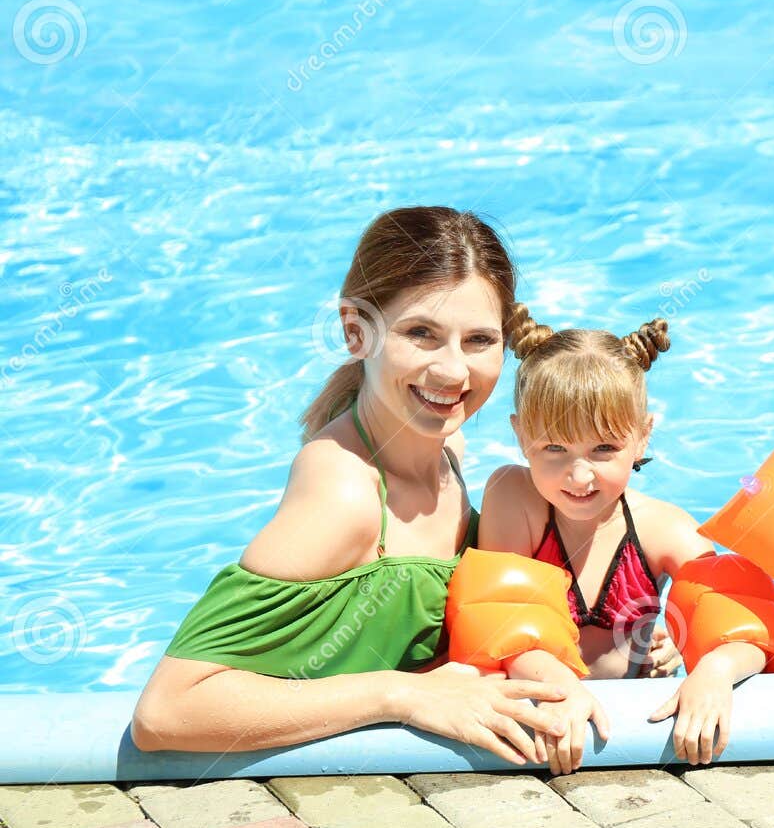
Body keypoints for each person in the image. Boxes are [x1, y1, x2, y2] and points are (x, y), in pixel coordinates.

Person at [132, 206, 572, 765]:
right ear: (356, 331)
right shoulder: (344, 494)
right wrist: (399, 694)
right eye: (422, 334)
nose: (454, 372)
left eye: (480, 340)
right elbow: (166, 711)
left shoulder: (448, 456)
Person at [473, 315, 770, 773]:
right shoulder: (514, 500)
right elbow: (499, 621)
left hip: (633, 729)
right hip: (553, 705)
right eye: (554, 448)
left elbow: (752, 627)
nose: (579, 476)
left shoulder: (663, 530)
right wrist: (562, 687)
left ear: (642, 435)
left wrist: (710, 668)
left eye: (604, 449)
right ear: (520, 435)